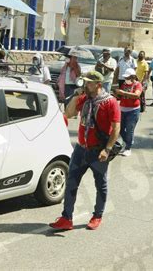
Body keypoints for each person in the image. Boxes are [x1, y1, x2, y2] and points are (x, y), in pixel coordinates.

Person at [49, 71, 120, 231]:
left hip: (98, 151)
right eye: (85, 82)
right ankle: (66, 218)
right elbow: (69, 113)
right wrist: (76, 96)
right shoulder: (84, 98)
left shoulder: (110, 102)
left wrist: (107, 150)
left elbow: (116, 128)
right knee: (71, 182)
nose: (85, 85)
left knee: (100, 184)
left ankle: (97, 216)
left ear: (98, 85)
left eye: (88, 83)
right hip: (81, 149)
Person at [115, 68, 142, 157]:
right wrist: (116, 94)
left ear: (133, 77)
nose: (126, 79)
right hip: (122, 109)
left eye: (128, 77)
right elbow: (120, 96)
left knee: (130, 130)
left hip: (133, 111)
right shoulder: (124, 84)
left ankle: (128, 148)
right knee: (120, 129)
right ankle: (127, 142)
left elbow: (136, 95)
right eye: (125, 77)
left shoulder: (138, 85)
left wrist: (123, 93)